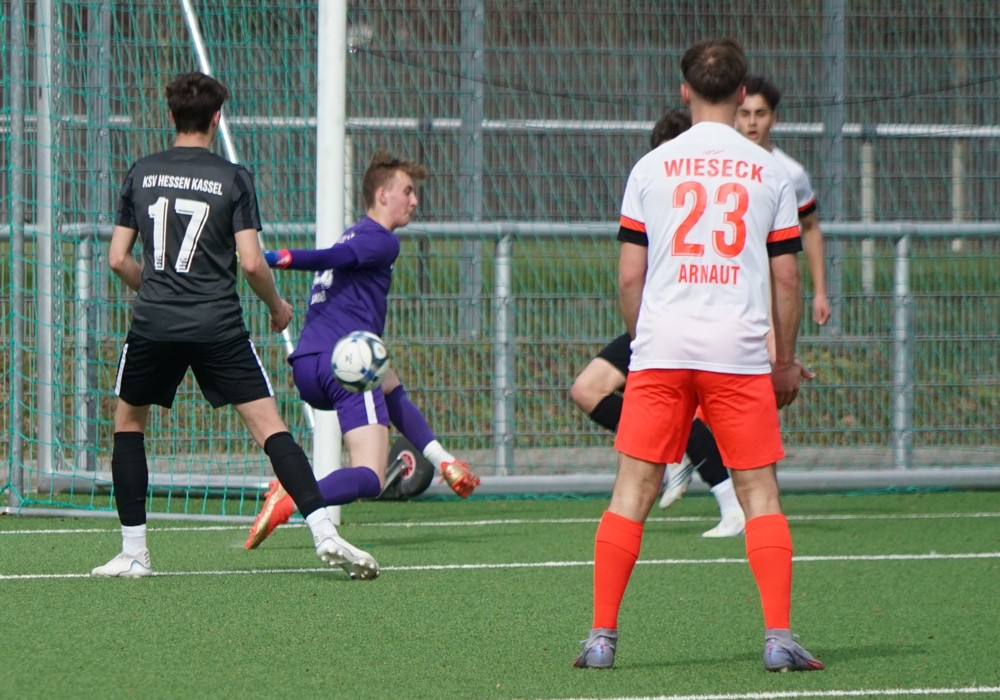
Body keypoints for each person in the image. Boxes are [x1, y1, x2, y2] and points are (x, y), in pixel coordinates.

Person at [572, 38, 823, 672]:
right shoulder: (770, 171)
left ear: (684, 91)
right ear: (741, 95)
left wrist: (644, 340)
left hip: (662, 348)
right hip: (737, 351)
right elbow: (786, 278)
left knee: (631, 489)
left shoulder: (650, 167)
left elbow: (629, 276)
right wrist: (784, 362)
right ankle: (778, 638)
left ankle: (601, 638)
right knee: (759, 492)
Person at [94, 71, 376, 580]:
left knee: (129, 424)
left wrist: (155, 289)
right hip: (218, 325)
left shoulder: (141, 172)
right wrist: (277, 306)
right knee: (270, 429)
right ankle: (323, 532)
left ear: (171, 115)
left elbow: (117, 258)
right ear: (216, 117)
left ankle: (134, 552)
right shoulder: (233, 178)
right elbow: (250, 262)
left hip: (154, 323)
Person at [243, 150, 481, 552]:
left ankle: (444, 459)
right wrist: (282, 258)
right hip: (344, 366)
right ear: (383, 195)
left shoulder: (353, 235)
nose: (415, 201)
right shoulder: (381, 240)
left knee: (389, 383)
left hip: (309, 365)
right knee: (370, 477)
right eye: (408, 191)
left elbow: (335, 266)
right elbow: (330, 257)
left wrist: (442, 461)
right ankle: (294, 494)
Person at [570, 107, 745, 539]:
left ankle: (731, 503)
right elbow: (633, 271)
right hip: (656, 321)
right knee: (587, 389)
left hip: (692, 320)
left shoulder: (730, 187)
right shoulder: (653, 185)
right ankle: (682, 457)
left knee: (686, 414)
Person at [736, 74, 830, 325]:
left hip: (772, 287)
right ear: (734, 118)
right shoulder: (721, 167)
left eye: (760, 114)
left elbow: (810, 228)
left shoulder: (790, 173)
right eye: (745, 114)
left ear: (773, 119)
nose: (752, 122)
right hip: (729, 284)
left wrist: (820, 293)